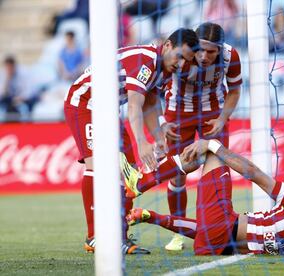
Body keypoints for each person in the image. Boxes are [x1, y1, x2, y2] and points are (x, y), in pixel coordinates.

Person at [120, 139, 284, 255]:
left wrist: (214, 144)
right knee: (217, 227)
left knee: (209, 153)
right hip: (216, 247)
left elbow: (253, 173)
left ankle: (141, 182)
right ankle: (150, 216)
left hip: (222, 228)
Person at [63, 28, 199, 254]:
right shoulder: (146, 60)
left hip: (108, 110)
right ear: (167, 46)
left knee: (130, 173)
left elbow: (149, 104)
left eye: (188, 60)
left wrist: (159, 134)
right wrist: (142, 142)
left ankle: (119, 236)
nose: (183, 64)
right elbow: (135, 105)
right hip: (84, 103)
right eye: (181, 56)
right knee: (96, 166)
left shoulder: (165, 71)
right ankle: (94, 236)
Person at [159, 22, 242, 251]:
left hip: (214, 114)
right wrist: (161, 123)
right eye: (200, 50)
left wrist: (223, 118)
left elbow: (235, 90)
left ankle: (222, 228)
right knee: (177, 173)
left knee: (218, 169)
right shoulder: (180, 54)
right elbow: (154, 88)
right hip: (178, 113)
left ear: (221, 48)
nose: (204, 56)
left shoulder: (230, 57)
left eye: (211, 51)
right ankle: (178, 234)